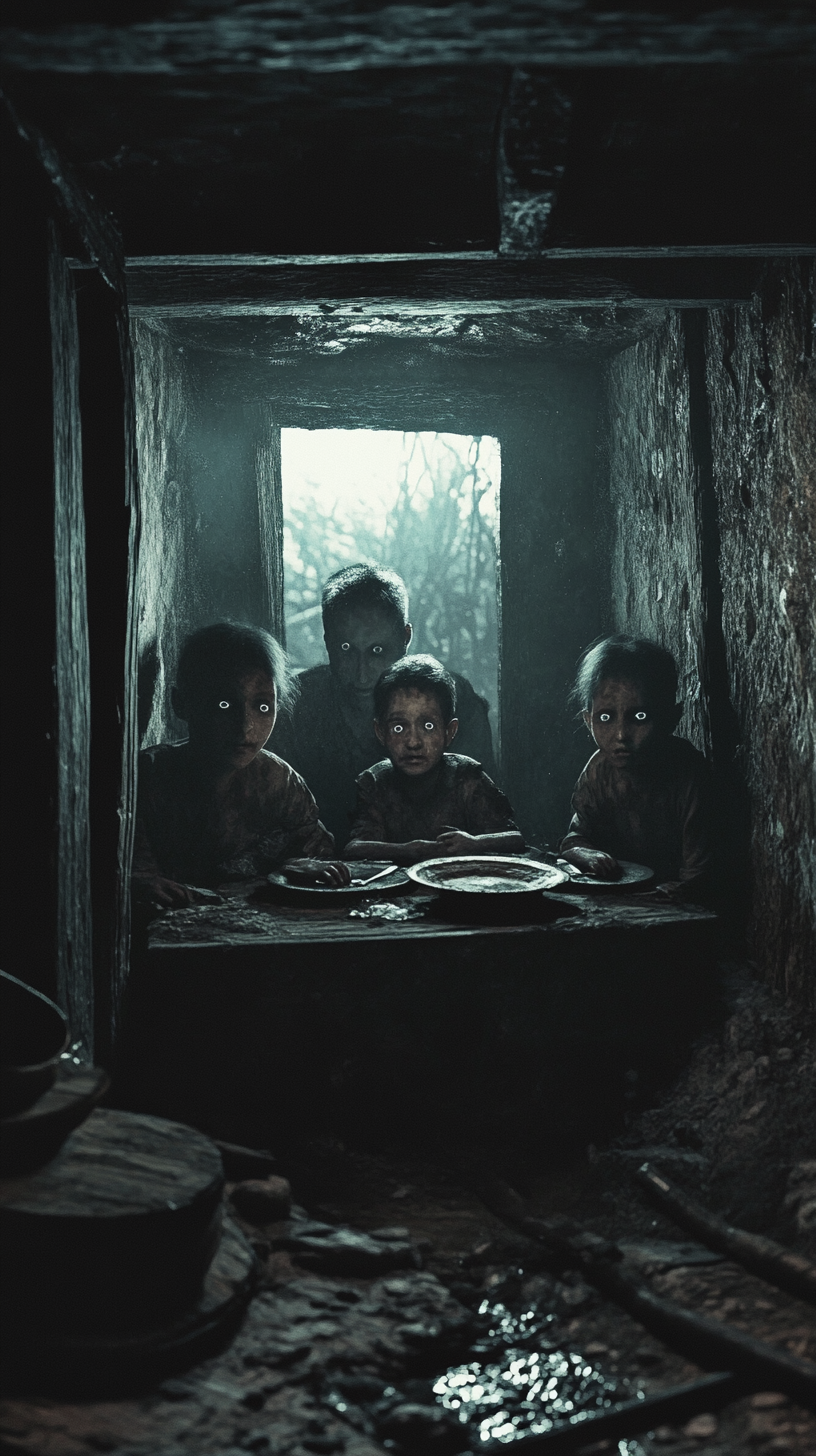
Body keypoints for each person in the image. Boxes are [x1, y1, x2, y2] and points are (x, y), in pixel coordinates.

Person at [270, 564, 497, 847]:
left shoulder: (456, 699)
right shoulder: (296, 704)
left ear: (405, 638)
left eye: (377, 651)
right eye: (346, 649)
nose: (362, 672)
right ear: (327, 641)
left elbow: (487, 816)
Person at [132, 622, 350, 907]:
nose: (245, 727)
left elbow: (320, 857)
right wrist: (141, 884)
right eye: (224, 705)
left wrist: (298, 868)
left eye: (262, 706)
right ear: (181, 703)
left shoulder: (280, 783)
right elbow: (128, 871)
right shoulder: (147, 779)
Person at [559, 635, 713, 898]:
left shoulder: (689, 776)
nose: (621, 735)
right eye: (605, 718)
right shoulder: (598, 771)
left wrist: (646, 901)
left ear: (671, 718)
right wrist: (585, 853)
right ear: (588, 720)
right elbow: (575, 838)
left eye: (639, 717)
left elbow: (698, 877)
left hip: (673, 908)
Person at [345, 655, 523, 864]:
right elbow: (354, 848)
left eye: (428, 726)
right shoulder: (374, 782)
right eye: (398, 728)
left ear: (449, 732)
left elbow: (515, 839)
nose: (413, 742)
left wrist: (475, 843)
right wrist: (406, 850)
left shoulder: (467, 777)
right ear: (380, 732)